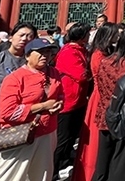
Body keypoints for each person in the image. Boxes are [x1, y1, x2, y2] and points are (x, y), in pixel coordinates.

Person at [0, 38, 64, 181]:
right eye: (40, 52)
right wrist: (43, 106)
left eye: (48, 52)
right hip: (19, 133)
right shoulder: (15, 78)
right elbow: (7, 112)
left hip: (47, 132)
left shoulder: (54, 73)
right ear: (27, 56)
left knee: (42, 175)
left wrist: (59, 105)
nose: (45, 56)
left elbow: (60, 95)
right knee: (11, 177)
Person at [0, 23, 36, 180]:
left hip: (15, 121)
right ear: (11, 37)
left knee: (5, 168)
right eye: (21, 35)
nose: (25, 39)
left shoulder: (32, 63)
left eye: (30, 36)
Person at [93, 27, 125, 181]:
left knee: (102, 160)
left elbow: (100, 86)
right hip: (124, 117)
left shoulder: (105, 62)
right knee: (121, 161)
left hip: (105, 113)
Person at [73, 23, 119, 181]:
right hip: (100, 95)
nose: (117, 36)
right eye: (115, 34)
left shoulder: (106, 51)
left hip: (103, 94)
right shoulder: (98, 55)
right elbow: (102, 77)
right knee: (95, 137)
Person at [53, 23, 91, 180]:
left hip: (79, 100)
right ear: (82, 37)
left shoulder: (81, 50)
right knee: (63, 138)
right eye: (87, 34)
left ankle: (65, 160)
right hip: (68, 100)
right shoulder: (69, 52)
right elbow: (82, 75)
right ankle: (54, 168)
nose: (89, 36)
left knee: (72, 135)